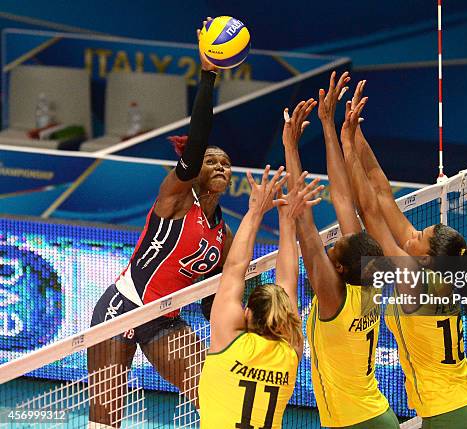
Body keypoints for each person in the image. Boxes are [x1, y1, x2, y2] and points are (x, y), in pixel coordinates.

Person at [341, 82, 467, 429]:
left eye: (419, 235)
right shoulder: (441, 276)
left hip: (447, 410)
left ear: (425, 259)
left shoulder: (412, 279)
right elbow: (381, 190)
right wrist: (356, 131)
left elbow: (369, 211)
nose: (412, 233)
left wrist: (345, 144)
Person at [87, 23, 233, 428]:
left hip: (165, 318)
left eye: (225, 163)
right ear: (194, 169)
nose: (219, 165)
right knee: (105, 419)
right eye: (210, 161)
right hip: (121, 310)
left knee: (214, 393)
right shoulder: (176, 198)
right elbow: (199, 137)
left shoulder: (222, 232)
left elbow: (213, 300)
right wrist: (209, 74)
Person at [282, 72, 400, 429]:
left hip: (355, 422)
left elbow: (304, 224)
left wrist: (290, 148)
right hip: (377, 414)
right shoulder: (369, 283)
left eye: (335, 247)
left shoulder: (332, 295)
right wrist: (328, 126)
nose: (334, 241)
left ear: (342, 268)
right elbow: (343, 198)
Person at [199, 166, 323, 429]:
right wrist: (287, 221)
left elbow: (234, 268)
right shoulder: (291, 350)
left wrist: (256, 210)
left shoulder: (229, 341)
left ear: (247, 314)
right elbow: (287, 282)